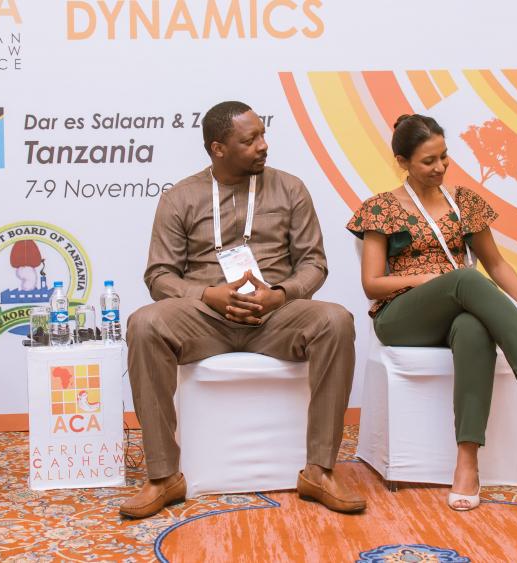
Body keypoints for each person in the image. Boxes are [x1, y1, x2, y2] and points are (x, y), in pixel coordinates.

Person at [347, 113, 517, 511]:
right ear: (402, 162)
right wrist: (425, 279)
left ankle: (467, 462)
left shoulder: (465, 203)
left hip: (456, 310)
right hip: (402, 316)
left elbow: (496, 262)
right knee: (465, 278)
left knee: (473, 327)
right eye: (428, 161)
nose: (440, 167)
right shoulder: (381, 208)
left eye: (443, 156)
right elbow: (372, 284)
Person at [120, 101, 364, 519]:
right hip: (206, 319)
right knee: (144, 324)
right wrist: (206, 295)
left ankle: (319, 471)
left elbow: (314, 263)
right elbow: (159, 276)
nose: (263, 145)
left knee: (336, 320)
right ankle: (163, 477)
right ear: (218, 148)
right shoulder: (180, 197)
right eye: (250, 140)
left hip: (276, 316)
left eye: (263, 135)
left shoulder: (290, 189)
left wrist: (281, 294)